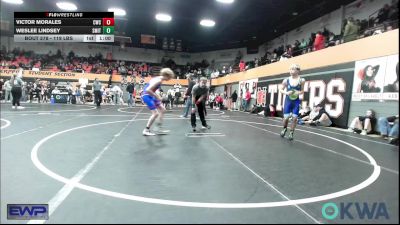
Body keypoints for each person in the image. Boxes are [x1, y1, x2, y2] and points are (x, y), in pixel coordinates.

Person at [141, 68, 175, 136]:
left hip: (151, 95)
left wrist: (157, 96)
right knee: (155, 113)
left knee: (162, 109)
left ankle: (158, 128)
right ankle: (146, 130)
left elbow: (153, 89)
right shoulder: (158, 80)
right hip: (147, 95)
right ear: (166, 75)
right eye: (170, 77)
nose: (170, 79)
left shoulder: (158, 79)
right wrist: (157, 97)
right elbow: (148, 90)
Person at [279, 64, 305, 140]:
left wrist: (298, 92)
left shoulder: (302, 80)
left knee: (294, 118)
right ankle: (284, 128)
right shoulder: (286, 80)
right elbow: (280, 89)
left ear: (298, 71)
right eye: (290, 69)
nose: (291, 71)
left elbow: (302, 91)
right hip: (288, 101)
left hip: (296, 102)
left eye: (293, 69)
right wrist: (286, 93)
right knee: (286, 118)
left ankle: (291, 132)